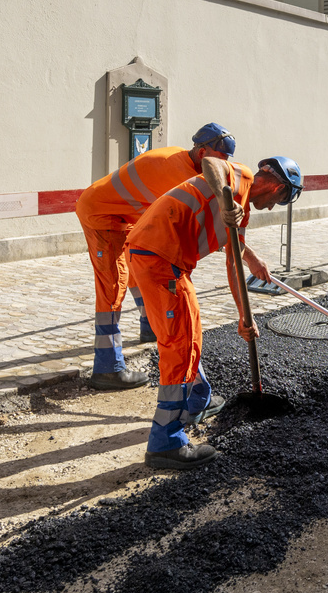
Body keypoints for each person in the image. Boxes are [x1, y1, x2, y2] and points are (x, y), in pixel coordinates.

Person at [126, 155, 303, 470]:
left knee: (189, 332)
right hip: (160, 258)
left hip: (160, 256)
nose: (277, 205)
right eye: (284, 198)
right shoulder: (240, 179)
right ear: (277, 186)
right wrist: (225, 202)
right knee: (180, 344)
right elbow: (211, 162)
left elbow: (233, 261)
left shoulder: (242, 211)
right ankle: (166, 442)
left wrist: (243, 315)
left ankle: (198, 399)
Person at [75, 123, 237, 391]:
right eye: (219, 159)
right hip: (101, 215)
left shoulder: (182, 160)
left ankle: (150, 325)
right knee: (112, 286)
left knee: (139, 268)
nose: (222, 166)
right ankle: (107, 368)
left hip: (125, 217)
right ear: (201, 152)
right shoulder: (178, 173)